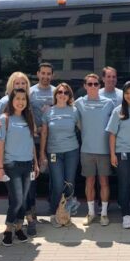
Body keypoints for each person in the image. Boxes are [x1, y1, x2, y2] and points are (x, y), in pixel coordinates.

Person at [0, 88, 39, 246]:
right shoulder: (4, 118)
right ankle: (8, 229)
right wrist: (0, 167)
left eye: (23, 99)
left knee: (22, 200)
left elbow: (31, 143)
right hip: (11, 165)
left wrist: (35, 163)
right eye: (17, 98)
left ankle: (19, 228)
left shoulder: (29, 118)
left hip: (27, 164)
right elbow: (0, 144)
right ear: (11, 101)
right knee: (17, 199)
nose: (20, 102)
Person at [75, 74, 115, 226]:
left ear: (100, 85)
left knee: (104, 182)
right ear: (85, 86)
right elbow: (75, 120)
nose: (93, 86)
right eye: (89, 84)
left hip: (104, 150)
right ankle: (91, 213)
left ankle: (104, 214)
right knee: (89, 182)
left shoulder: (109, 103)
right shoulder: (79, 103)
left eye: (95, 84)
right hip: (86, 150)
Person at [39, 83, 80, 227]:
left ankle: (65, 213)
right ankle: (53, 212)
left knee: (69, 183)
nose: (63, 94)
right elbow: (44, 133)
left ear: (69, 96)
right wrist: (42, 153)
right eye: (60, 92)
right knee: (57, 184)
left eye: (66, 92)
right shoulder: (48, 112)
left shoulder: (74, 111)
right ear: (55, 94)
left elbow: (82, 129)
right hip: (54, 152)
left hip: (72, 151)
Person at [106, 81, 130, 229]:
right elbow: (112, 135)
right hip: (122, 153)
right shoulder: (118, 111)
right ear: (124, 95)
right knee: (124, 184)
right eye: (127, 93)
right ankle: (125, 215)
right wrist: (112, 155)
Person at [28, 62, 55, 232]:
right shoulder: (30, 92)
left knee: (54, 175)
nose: (45, 76)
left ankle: (54, 208)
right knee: (33, 176)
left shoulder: (56, 91)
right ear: (38, 74)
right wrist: (34, 129)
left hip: (52, 140)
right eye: (42, 73)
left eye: (48, 74)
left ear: (52, 75)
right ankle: (32, 211)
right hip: (34, 139)